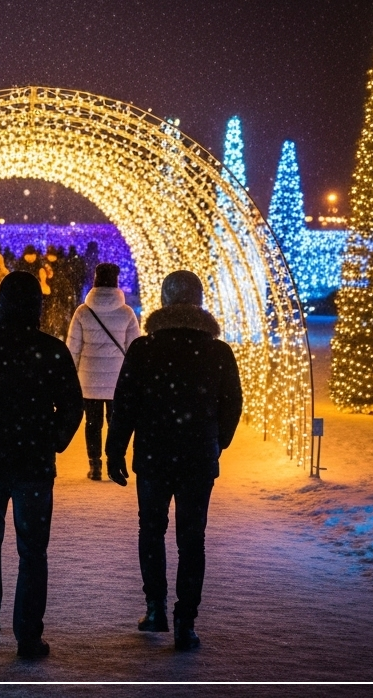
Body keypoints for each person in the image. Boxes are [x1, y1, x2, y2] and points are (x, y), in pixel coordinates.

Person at [0, 272, 83, 661]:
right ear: (36, 306)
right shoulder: (51, 349)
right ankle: (28, 635)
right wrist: (53, 439)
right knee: (33, 550)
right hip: (34, 462)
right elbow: (72, 406)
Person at [105, 270, 242, 652]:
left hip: (154, 455)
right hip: (198, 458)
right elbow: (232, 404)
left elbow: (125, 404)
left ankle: (155, 608)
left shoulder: (145, 349)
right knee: (191, 539)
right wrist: (217, 442)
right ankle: (186, 621)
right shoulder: (217, 352)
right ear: (198, 301)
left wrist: (115, 449)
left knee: (151, 530)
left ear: (164, 301)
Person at [65, 263, 141, 480]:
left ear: (95, 281)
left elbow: (73, 348)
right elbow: (133, 349)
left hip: (88, 378)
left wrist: (71, 376)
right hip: (117, 380)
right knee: (115, 423)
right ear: (116, 283)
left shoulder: (82, 311)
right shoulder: (126, 313)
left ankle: (94, 465)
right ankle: (111, 462)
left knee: (92, 423)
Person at [44, 246, 77, 339]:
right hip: (52, 296)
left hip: (56, 296)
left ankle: (57, 334)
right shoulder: (47, 265)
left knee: (56, 317)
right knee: (52, 317)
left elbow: (63, 282)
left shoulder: (58, 266)